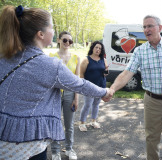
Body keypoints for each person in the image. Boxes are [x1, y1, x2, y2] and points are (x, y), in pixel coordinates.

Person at [0, 5, 112, 160]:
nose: (54, 32)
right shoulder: (50, 65)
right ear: (41, 34)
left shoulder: (4, 57)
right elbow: (80, 84)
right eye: (52, 27)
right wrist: (105, 92)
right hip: (28, 145)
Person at [110, 15, 162, 160]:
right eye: (144, 27)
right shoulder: (139, 51)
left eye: (150, 26)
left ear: (159, 28)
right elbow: (126, 73)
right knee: (151, 140)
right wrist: (112, 89)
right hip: (152, 101)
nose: (146, 29)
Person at [49, 31, 80, 160]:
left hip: (70, 93)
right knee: (55, 123)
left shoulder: (76, 58)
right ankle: (55, 151)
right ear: (59, 40)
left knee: (69, 125)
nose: (67, 43)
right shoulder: (51, 56)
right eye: (65, 40)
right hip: (55, 93)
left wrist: (76, 98)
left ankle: (69, 149)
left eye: (70, 41)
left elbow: (77, 80)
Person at [79, 41, 109, 131]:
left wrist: (106, 72)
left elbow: (106, 73)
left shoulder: (103, 60)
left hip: (100, 86)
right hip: (89, 87)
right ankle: (82, 123)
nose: (98, 49)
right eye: (96, 47)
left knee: (96, 104)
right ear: (92, 48)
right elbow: (81, 74)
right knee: (87, 105)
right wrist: (83, 86)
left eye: (100, 48)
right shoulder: (86, 59)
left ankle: (93, 121)